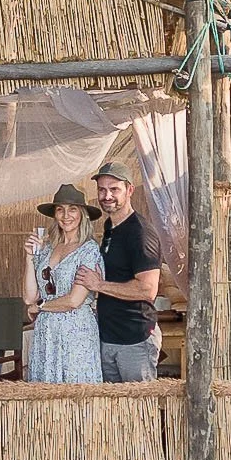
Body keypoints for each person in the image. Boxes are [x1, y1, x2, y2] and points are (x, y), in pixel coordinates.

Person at [77, 160, 161, 382]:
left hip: (134, 339)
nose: (107, 196)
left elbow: (147, 289)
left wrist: (99, 285)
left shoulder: (140, 233)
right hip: (108, 338)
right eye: (102, 190)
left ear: (130, 190)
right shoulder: (109, 228)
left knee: (140, 409)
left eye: (114, 189)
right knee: (113, 412)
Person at [22, 183, 104, 384]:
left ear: (82, 214)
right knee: (46, 398)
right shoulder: (49, 249)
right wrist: (29, 258)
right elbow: (29, 297)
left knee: (76, 393)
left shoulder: (88, 251)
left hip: (76, 333)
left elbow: (74, 300)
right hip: (47, 334)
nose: (66, 215)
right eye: (60, 209)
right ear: (54, 215)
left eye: (72, 209)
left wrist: (41, 307)